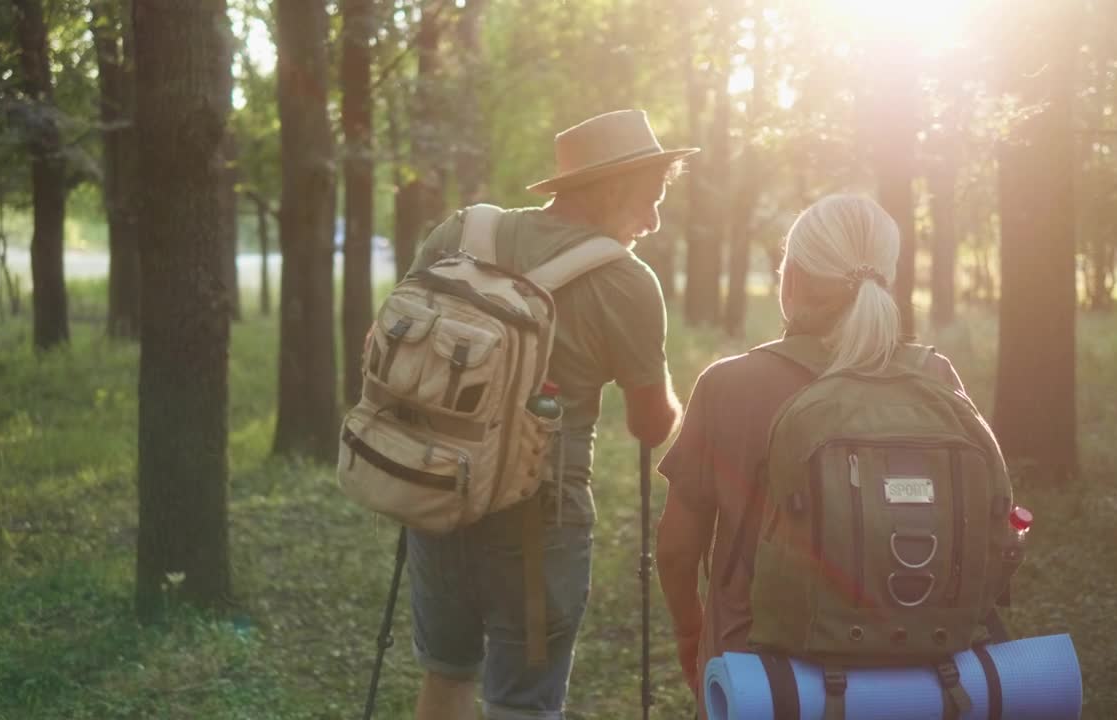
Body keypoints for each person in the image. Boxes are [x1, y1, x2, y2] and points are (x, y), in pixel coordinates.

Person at [403, 109, 692, 720]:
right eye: (652, 197)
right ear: (612, 187)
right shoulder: (626, 280)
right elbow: (650, 426)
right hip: (539, 516)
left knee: (446, 676)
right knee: (522, 706)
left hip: (435, 490)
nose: (654, 219)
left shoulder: (460, 232)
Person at [654, 194, 973, 709]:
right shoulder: (934, 377)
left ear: (793, 278)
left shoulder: (730, 386)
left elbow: (675, 549)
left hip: (762, 676)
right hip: (918, 672)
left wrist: (691, 633)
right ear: (886, 277)